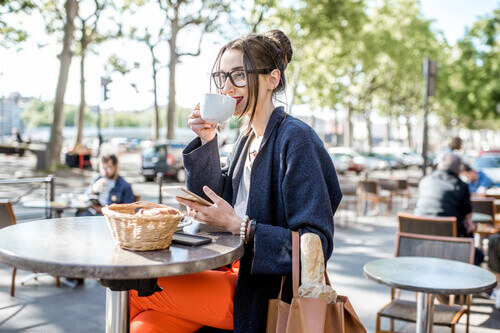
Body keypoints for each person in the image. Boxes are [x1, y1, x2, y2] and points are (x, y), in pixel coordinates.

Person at [129, 30, 342, 332]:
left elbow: (315, 244)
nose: (226, 87)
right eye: (221, 77)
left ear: (273, 79)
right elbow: (218, 198)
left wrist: (238, 226)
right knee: (147, 325)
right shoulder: (245, 139)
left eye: (238, 75)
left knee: (136, 291)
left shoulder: (295, 139)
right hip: (229, 270)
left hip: (264, 293)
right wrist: (207, 140)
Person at [414, 153, 484, 265]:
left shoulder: (425, 181)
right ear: (459, 170)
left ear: (439, 165)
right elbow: (468, 216)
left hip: (418, 245)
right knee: (479, 255)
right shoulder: (461, 186)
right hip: (449, 249)